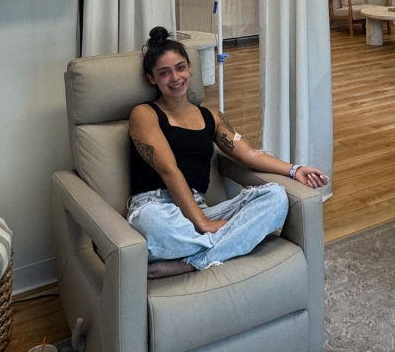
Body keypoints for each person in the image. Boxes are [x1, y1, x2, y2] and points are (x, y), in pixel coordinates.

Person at [128, 26, 330, 278]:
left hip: (200, 208)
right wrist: (202, 224)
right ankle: (229, 243)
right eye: (164, 73)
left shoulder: (211, 117)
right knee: (156, 227)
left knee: (276, 196)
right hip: (156, 207)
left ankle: (192, 261)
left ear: (190, 67)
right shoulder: (144, 113)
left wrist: (295, 169)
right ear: (151, 78)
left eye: (180, 67)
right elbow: (169, 170)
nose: (175, 78)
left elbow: (249, 155)